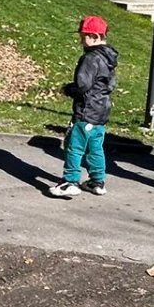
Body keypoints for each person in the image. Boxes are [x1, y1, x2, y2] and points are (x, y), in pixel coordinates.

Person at [50, 15, 117, 198]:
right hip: (101, 111)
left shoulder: (90, 58)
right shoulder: (109, 59)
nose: (81, 41)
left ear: (95, 37)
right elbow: (110, 85)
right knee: (95, 147)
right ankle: (97, 181)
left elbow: (82, 85)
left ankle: (70, 181)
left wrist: (67, 89)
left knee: (74, 146)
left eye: (83, 37)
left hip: (86, 110)